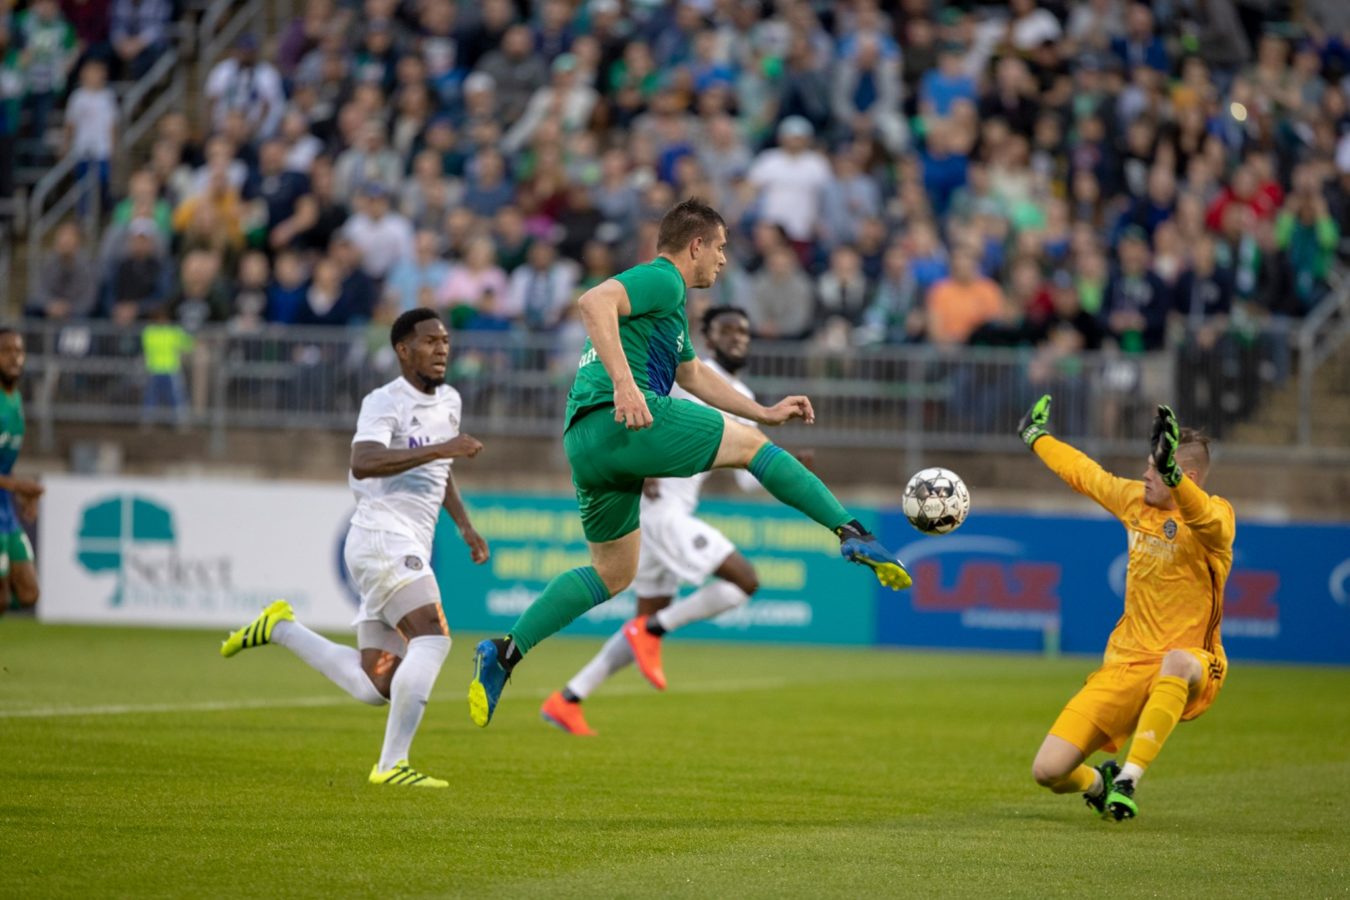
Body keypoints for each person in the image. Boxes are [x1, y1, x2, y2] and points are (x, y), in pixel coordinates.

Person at [468, 199, 911, 729]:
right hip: (623, 420)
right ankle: (851, 530)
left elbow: (694, 375)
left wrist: (764, 412)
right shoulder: (664, 279)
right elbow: (592, 301)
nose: (723, 261)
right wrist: (626, 384)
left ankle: (507, 651)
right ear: (695, 245)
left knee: (614, 574)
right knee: (748, 451)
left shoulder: (669, 311)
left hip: (585, 443)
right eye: (720, 248)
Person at [221, 309, 490, 788]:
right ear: (403, 351)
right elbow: (363, 461)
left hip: (405, 543)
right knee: (433, 635)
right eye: (430, 342)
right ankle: (391, 765)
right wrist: (440, 449)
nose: (442, 349)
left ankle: (282, 629)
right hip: (380, 536)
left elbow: (439, 472)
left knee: (377, 684)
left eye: (445, 341)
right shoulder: (384, 401)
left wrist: (465, 526)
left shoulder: (450, 400)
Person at [540, 306, 772, 736]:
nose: (739, 337)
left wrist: (785, 462)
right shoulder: (689, 378)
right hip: (661, 512)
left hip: (661, 517)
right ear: (706, 334)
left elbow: (746, 480)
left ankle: (568, 698)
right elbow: (634, 403)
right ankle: (653, 630)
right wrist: (636, 464)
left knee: (641, 625)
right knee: (745, 580)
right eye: (729, 330)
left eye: (745, 331)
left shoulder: (737, 392)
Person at [1019, 394, 1233, 820]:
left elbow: (1207, 520)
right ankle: (1101, 783)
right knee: (1048, 771)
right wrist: (1035, 436)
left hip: (1196, 663)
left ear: (1184, 474)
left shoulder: (1215, 519)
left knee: (1175, 661)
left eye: (1154, 468)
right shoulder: (1134, 500)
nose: (1145, 474)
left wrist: (1172, 476)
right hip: (1125, 665)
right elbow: (1084, 473)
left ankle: (1129, 779)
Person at [0, 330, 41, 613]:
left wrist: (23, 496)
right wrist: (19, 487)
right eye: (6, 351)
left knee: (29, 593)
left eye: (19, 351)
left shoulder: (15, 400)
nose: (14, 357)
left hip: (5, 509)